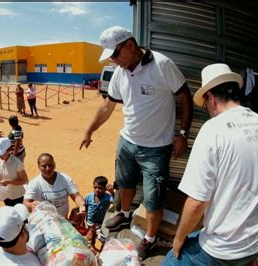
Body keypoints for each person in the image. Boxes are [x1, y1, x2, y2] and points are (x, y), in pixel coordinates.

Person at [79, 26, 193, 260]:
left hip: (156, 148)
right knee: (124, 183)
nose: (113, 60)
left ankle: (149, 239)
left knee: (154, 197)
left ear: (130, 46)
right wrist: (89, 130)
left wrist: (182, 134)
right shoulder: (120, 72)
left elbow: (185, 96)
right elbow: (107, 106)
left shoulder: (161, 65)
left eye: (115, 54)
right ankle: (124, 212)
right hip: (127, 141)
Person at [162, 63, 258, 265]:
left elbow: (197, 201)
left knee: (172, 260)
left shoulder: (213, 129)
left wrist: (179, 238)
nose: (206, 108)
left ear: (211, 97)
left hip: (229, 247)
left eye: (205, 102)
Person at [23, 153, 85, 218]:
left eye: (50, 165)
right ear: (38, 166)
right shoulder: (34, 183)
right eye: (44, 166)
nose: (47, 169)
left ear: (54, 165)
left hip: (63, 220)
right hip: (45, 222)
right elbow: (26, 202)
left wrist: (81, 205)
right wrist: (31, 205)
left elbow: (76, 196)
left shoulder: (65, 179)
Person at [0, 137, 28, 207]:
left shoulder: (17, 163)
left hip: (16, 196)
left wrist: (9, 181)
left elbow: (24, 180)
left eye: (2, 153)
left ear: (9, 150)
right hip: (5, 195)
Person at [84, 176, 114, 248]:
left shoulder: (108, 197)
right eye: (95, 187)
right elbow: (86, 208)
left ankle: (102, 249)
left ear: (105, 188)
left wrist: (112, 192)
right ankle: (92, 244)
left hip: (101, 223)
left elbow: (116, 202)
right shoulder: (89, 197)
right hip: (90, 223)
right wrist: (83, 220)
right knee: (90, 238)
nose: (97, 190)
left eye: (100, 188)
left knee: (104, 240)